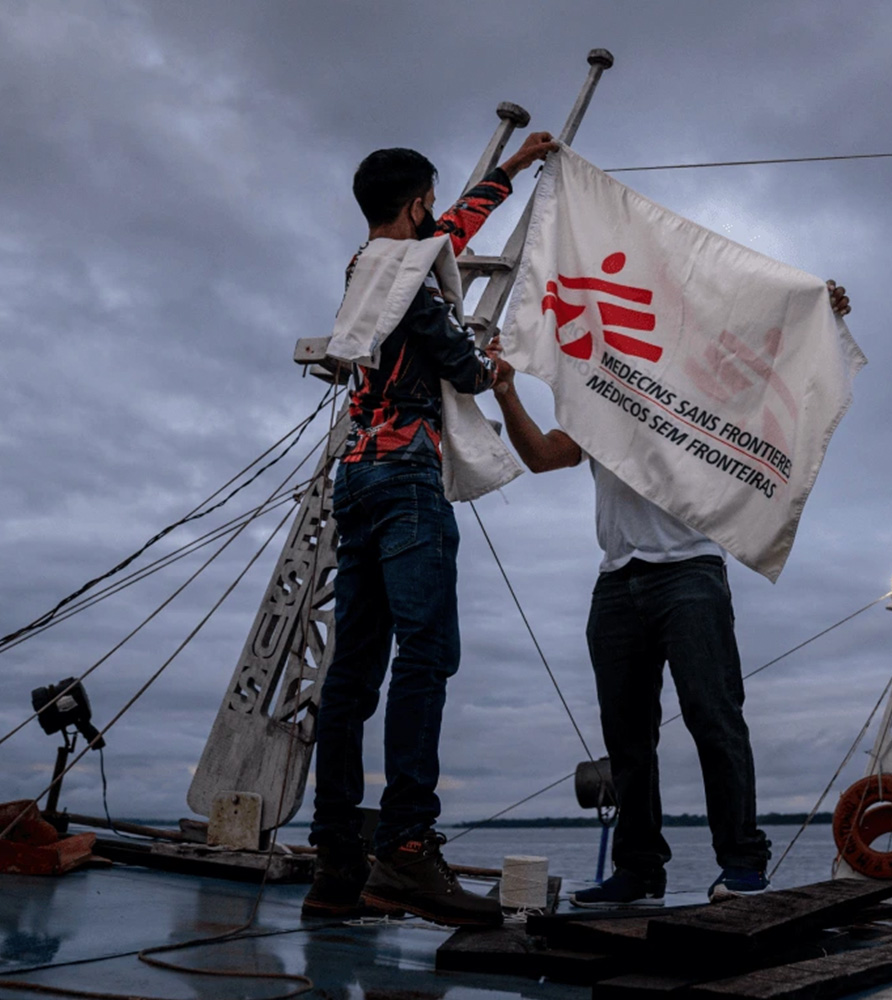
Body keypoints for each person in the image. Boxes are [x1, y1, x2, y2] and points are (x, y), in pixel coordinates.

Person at [492, 283, 851, 906]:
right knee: (628, 740)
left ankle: (741, 864)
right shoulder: (598, 396)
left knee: (715, 720)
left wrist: (813, 316)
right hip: (615, 581)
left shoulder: (698, 384)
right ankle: (639, 872)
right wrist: (505, 391)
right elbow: (548, 457)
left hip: (690, 574)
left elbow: (767, 367)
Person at [302, 131, 558, 926]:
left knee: (350, 677)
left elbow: (450, 231)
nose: (436, 217)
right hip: (410, 476)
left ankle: (337, 866)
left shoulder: (365, 266)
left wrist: (508, 172)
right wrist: (491, 370)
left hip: (355, 479)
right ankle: (408, 847)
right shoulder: (412, 280)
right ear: (414, 204)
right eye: (429, 203)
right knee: (427, 650)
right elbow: (458, 363)